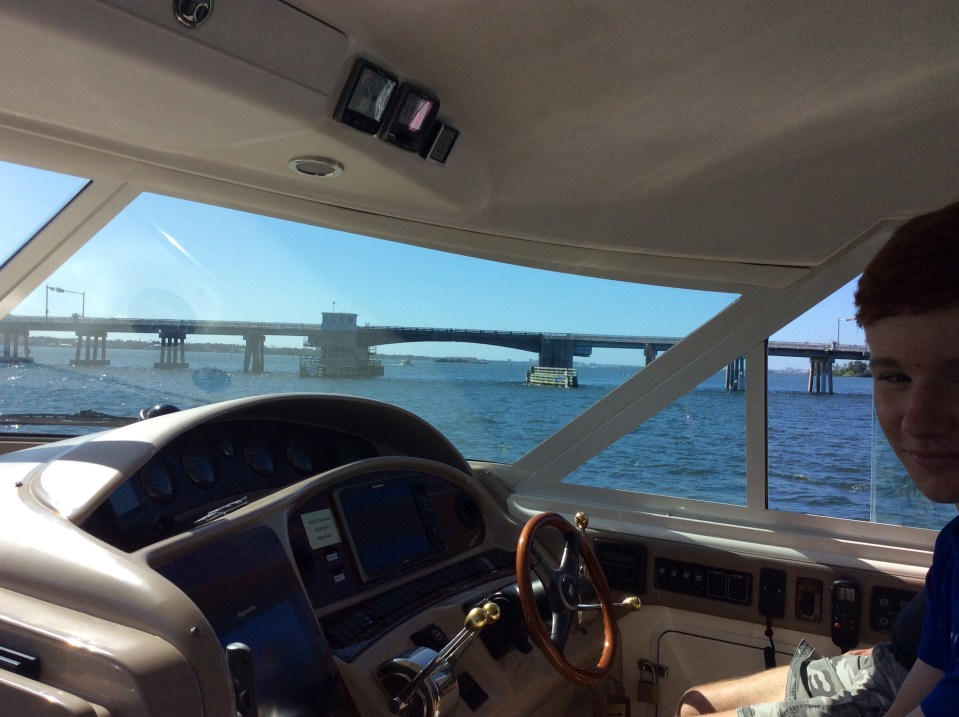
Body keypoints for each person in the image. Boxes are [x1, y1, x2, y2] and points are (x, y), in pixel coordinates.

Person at [675, 198, 959, 717]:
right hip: (894, 664)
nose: (917, 421)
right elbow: (928, 674)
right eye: (894, 376)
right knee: (694, 707)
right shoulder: (955, 546)